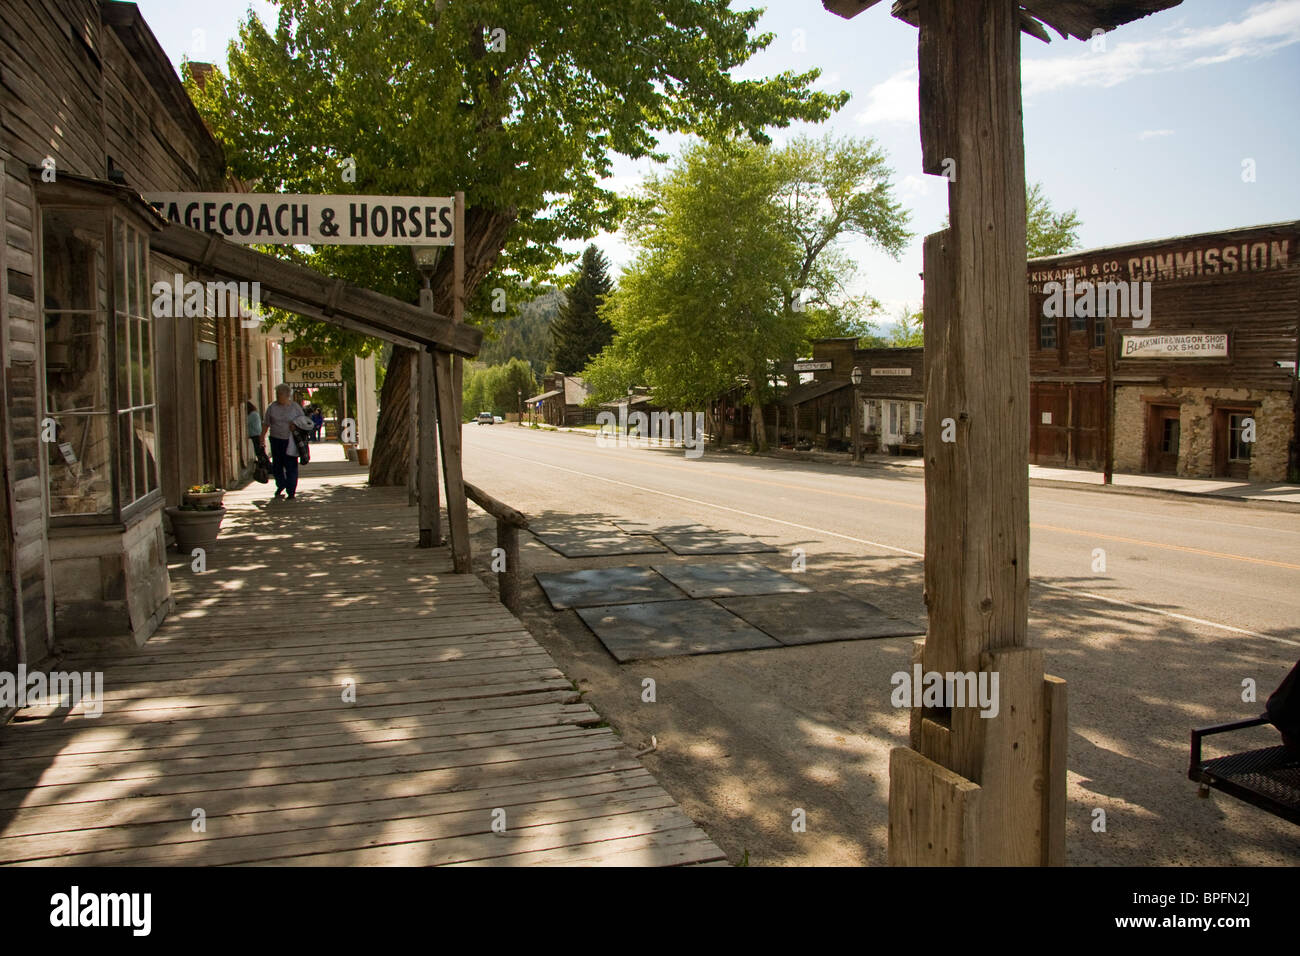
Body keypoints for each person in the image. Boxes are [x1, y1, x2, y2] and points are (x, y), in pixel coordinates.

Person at [261, 385, 312, 499]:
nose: (278, 396)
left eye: (280, 394)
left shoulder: (295, 407)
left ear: (287, 395)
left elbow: (304, 423)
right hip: (276, 439)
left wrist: (296, 426)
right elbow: (266, 423)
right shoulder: (272, 407)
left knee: (291, 465)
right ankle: (281, 484)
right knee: (277, 465)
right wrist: (261, 438)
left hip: (290, 441)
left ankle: (291, 490)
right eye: (277, 394)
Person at [245, 401, 268, 467]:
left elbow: (246, 421)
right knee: (260, 452)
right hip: (257, 434)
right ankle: (266, 466)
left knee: (260, 452)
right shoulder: (255, 413)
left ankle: (267, 466)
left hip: (256, 435)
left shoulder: (252, 415)